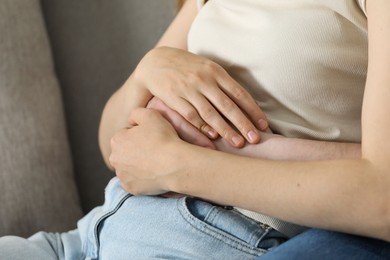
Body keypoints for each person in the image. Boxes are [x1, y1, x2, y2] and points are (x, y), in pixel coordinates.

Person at [1, 0, 390, 259]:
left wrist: (178, 164)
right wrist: (150, 68)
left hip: (211, 241)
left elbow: (382, 198)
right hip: (88, 235)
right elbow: (113, 146)